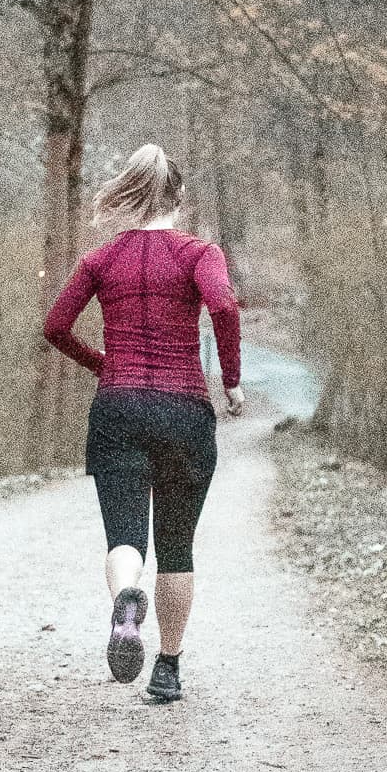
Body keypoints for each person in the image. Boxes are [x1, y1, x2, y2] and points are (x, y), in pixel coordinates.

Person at [42, 144, 243, 703]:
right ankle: (168, 668)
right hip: (183, 409)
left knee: (125, 536)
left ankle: (127, 599)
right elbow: (224, 307)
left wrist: (105, 365)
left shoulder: (101, 260)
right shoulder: (199, 254)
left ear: (132, 196)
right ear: (178, 199)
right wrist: (231, 381)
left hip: (119, 407)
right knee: (177, 546)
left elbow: (56, 326)